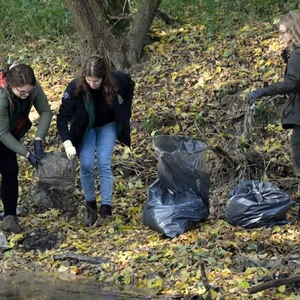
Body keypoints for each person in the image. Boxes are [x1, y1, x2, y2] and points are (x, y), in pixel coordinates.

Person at [57, 56, 134, 227]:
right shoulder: (75, 88)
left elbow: (129, 84)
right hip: (85, 128)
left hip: (108, 125)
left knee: (104, 162)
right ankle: (90, 206)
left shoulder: (117, 80)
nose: (92, 84)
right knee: (86, 164)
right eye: (89, 80)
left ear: (103, 77)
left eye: (96, 81)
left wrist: (125, 112)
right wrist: (67, 142)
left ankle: (106, 208)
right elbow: (62, 117)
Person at [0, 63, 52, 233]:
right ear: (11, 85)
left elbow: (45, 111)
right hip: (3, 130)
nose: (26, 94)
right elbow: (2, 133)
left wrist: (38, 139)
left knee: (10, 170)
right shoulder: (2, 97)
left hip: (9, 132)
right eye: (22, 92)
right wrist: (27, 154)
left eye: (28, 91)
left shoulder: (32, 88)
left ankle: (9, 217)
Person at [248, 12, 300, 181]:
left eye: (283, 32)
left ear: (293, 31)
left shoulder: (298, 55)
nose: (280, 37)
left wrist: (264, 91)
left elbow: (292, 83)